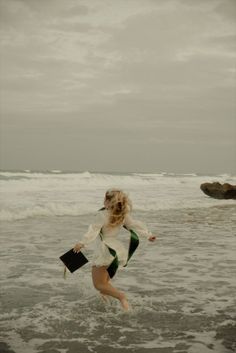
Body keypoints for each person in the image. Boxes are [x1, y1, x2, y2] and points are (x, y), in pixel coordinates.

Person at [73, 189, 156, 311]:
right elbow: (133, 225)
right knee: (104, 284)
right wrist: (148, 234)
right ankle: (107, 307)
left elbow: (94, 230)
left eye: (105, 199)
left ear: (107, 202)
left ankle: (121, 297)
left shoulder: (102, 215)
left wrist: (82, 243)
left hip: (105, 250)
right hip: (115, 249)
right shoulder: (122, 215)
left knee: (99, 285)